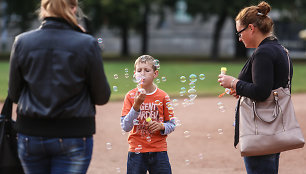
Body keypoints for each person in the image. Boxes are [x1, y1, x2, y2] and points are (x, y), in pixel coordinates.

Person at [8, 0, 111, 173]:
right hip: (73, 133)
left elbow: (14, 94)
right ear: (74, 8)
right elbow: (102, 97)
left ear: (43, 8)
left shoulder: (22, 42)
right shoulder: (87, 44)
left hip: (30, 134)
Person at [218, 1, 293, 174]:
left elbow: (261, 92)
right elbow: (272, 87)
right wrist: (242, 88)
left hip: (261, 130)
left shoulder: (263, 52)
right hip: (273, 126)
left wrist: (233, 83)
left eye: (240, 32)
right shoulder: (279, 49)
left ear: (251, 28)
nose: (239, 38)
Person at [121, 55, 175, 174]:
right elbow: (125, 126)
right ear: (135, 74)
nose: (142, 73)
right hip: (136, 151)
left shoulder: (163, 96)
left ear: (155, 74)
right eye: (139, 70)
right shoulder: (130, 96)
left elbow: (172, 124)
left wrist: (162, 126)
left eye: (147, 70)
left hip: (159, 151)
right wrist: (136, 105)